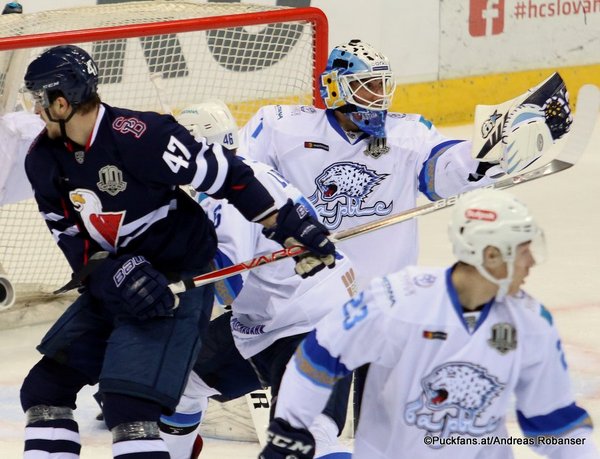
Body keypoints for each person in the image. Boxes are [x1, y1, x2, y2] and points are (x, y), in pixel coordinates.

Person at [18, 45, 335, 459]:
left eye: (39, 100)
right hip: (114, 286)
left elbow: (229, 175)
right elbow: (70, 238)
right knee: (44, 390)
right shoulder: (43, 159)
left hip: (173, 284)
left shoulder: (141, 136)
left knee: (128, 407)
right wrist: (103, 271)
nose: (35, 111)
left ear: (62, 102)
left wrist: (285, 226)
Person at [238, 37, 572, 424]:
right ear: (335, 88)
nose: (378, 98)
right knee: (304, 426)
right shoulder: (280, 127)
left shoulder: (407, 134)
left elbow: (446, 168)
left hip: (386, 306)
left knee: (386, 429)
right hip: (306, 306)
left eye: (383, 86)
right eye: (367, 87)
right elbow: (239, 182)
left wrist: (488, 155)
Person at [259, 187, 600, 459]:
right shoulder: (397, 299)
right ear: (491, 255)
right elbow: (321, 354)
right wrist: (291, 426)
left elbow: (553, 423)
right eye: (522, 250)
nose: (532, 262)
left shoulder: (530, 323)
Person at [158, 100, 355, 459]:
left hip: (312, 323)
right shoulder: (247, 172)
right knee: (178, 381)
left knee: (309, 440)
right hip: (269, 320)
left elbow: (229, 284)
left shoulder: (220, 199)